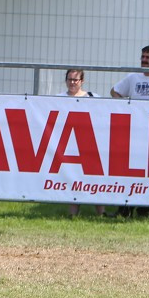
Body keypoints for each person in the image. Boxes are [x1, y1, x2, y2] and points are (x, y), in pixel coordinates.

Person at [56, 69, 103, 216]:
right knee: (72, 179)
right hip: (68, 145)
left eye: (75, 80)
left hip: (89, 144)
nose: (72, 83)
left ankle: (101, 213)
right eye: (69, 79)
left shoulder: (93, 97)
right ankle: (73, 214)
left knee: (95, 180)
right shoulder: (58, 98)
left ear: (82, 81)